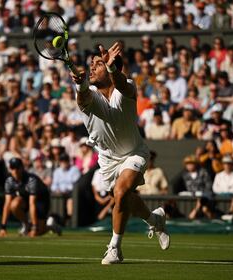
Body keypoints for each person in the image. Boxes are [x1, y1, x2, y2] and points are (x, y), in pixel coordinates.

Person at [70, 42, 170, 265]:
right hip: (107, 159)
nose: (92, 68)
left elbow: (122, 85)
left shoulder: (126, 89)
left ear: (111, 68)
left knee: (122, 191)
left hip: (134, 153)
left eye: (98, 64)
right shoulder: (90, 94)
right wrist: (80, 86)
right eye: (91, 65)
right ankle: (154, 219)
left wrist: (113, 68)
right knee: (123, 198)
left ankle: (114, 248)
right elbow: (83, 99)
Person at [0, 158, 61, 238]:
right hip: (26, 199)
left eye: (17, 168)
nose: (15, 171)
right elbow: (7, 204)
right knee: (14, 205)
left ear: (22, 168)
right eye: (13, 168)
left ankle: (51, 226)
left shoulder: (31, 180)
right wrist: (3, 227)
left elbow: (32, 204)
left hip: (41, 200)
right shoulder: (9, 181)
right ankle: (26, 225)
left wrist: (34, 228)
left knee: (38, 232)